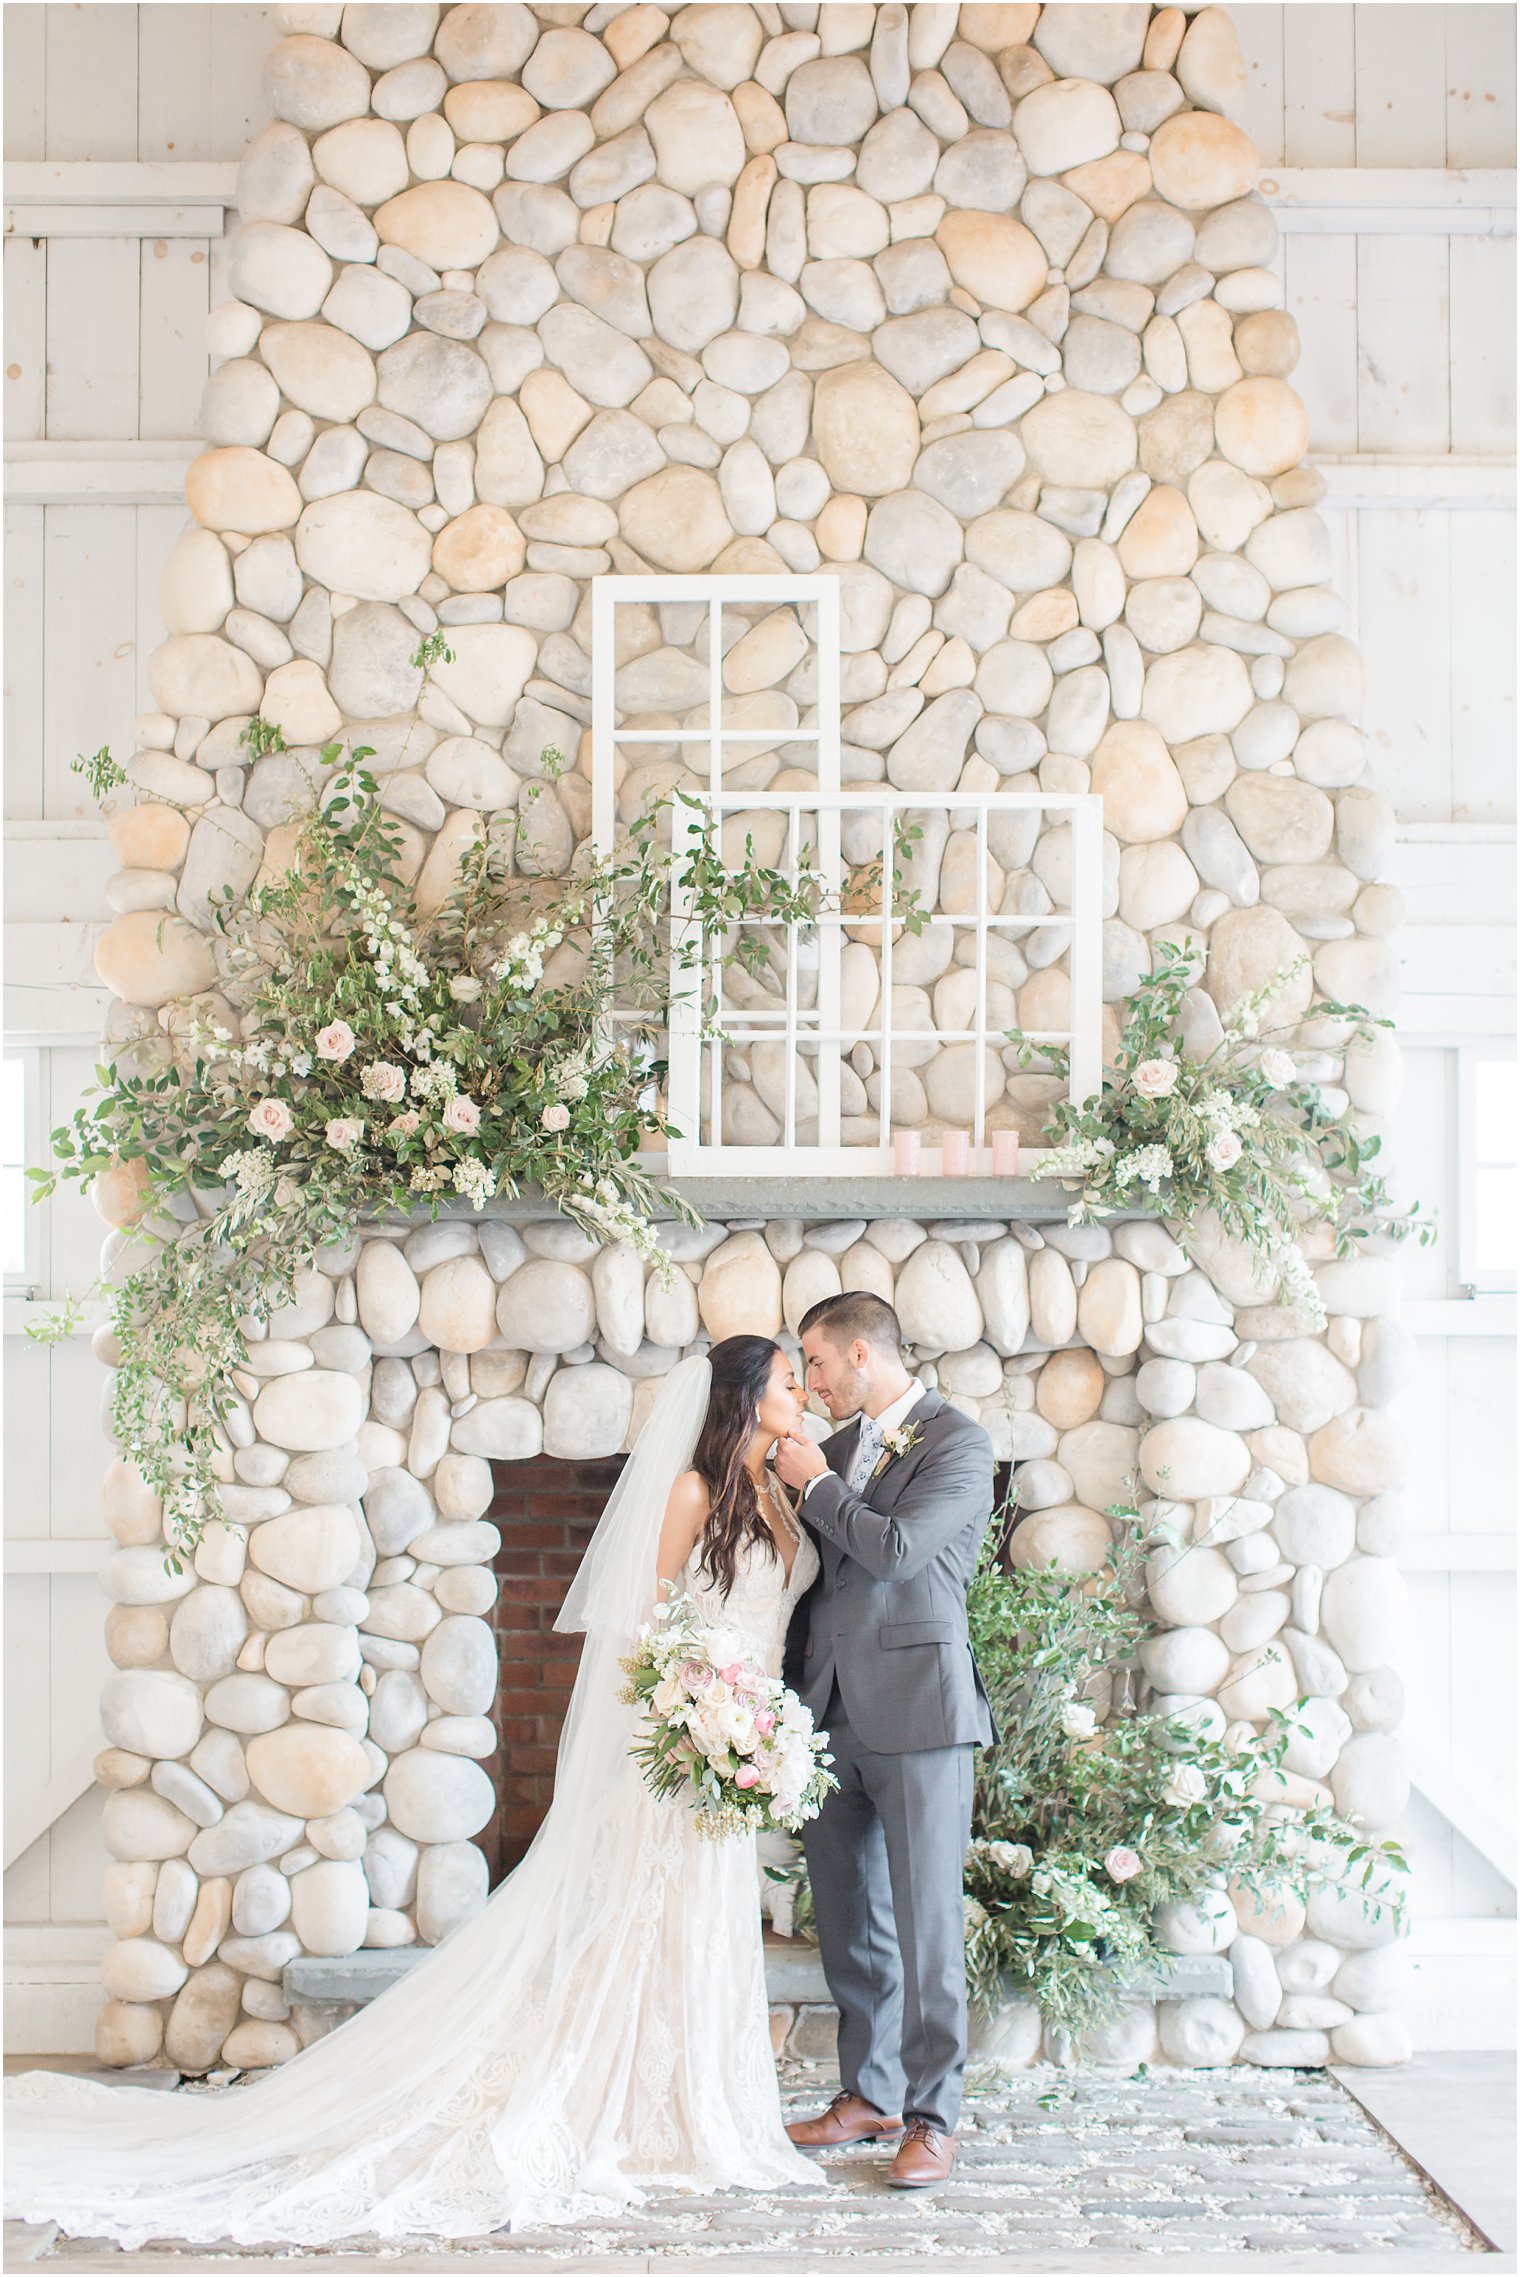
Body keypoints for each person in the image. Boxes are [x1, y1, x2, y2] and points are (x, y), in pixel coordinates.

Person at [5, 1339, 823, 2247]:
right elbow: (639, 1625)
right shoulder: (689, 1494)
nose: (802, 1390)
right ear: (745, 1397)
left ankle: (696, 2097)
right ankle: (626, 2097)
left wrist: (757, 1731)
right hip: (688, 1739)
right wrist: (704, 1714)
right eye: (789, 1379)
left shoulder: (782, 1492)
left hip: (742, 1744)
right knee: (648, 1915)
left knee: (704, 1919)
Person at [774, 1290, 996, 2190]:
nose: (811, 1381)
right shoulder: (826, 1452)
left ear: (862, 1354)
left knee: (927, 1923)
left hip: (920, 1711)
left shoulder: (957, 1442)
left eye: (816, 1363)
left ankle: (933, 2117)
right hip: (828, 1712)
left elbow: (899, 1550)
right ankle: (867, 2094)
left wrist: (818, 1490)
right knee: (851, 1921)